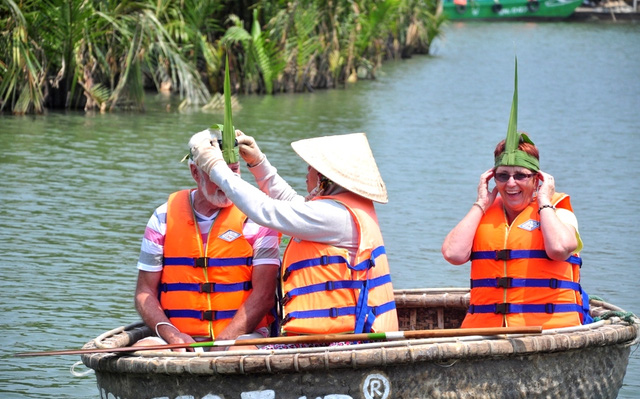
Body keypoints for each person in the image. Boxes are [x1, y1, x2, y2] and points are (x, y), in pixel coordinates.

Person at [189, 130, 399, 343]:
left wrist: (216, 168)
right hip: (348, 334)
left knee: (238, 350)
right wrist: (258, 162)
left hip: (348, 340)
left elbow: (266, 210)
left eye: (310, 168)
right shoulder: (344, 209)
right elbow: (291, 203)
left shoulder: (335, 216)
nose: (306, 173)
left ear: (324, 179)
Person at [441, 59, 591, 330]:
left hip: (546, 331)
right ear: (492, 178)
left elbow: (559, 249)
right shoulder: (485, 211)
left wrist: (544, 201)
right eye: (502, 176)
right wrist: (480, 203)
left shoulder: (559, 210)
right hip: (484, 332)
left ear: (537, 179)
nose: (511, 183)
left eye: (520, 176)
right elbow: (453, 254)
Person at [133, 128, 280, 350]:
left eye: (233, 171)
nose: (227, 183)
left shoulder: (258, 217)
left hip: (243, 336)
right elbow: (144, 293)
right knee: (142, 350)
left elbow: (265, 294)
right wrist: (171, 334)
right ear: (195, 173)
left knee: (239, 353)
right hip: (179, 335)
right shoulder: (162, 218)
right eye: (218, 174)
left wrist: (226, 339)